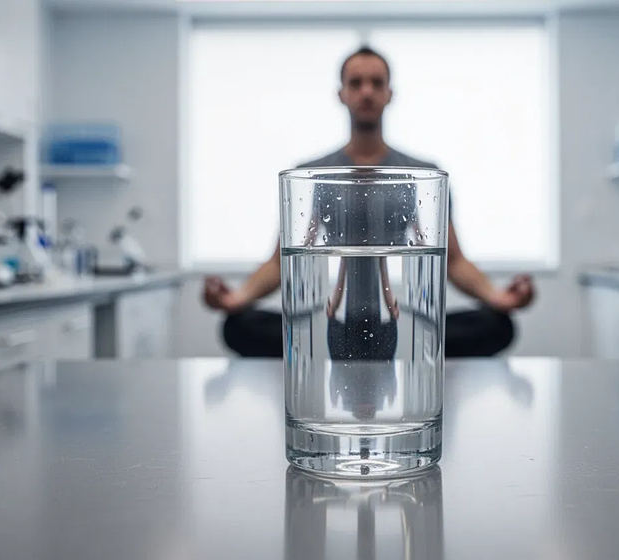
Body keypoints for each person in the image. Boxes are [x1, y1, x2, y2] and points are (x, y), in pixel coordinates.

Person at [204, 45, 536, 358]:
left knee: (498, 325)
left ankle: (400, 349)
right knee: (238, 326)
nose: (367, 91)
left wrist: (499, 297)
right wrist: (236, 298)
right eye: (356, 83)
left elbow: (454, 262)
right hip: (333, 318)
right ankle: (340, 348)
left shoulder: (422, 174)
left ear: (389, 93)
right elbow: (281, 263)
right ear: (341, 94)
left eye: (376, 83)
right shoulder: (312, 174)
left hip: (398, 318)